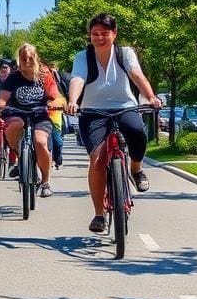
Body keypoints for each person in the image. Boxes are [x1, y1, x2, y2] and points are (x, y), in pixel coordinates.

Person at [65, 13, 162, 233]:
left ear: (114, 34)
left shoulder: (125, 53)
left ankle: (136, 169)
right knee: (97, 160)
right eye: (95, 34)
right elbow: (77, 79)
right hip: (92, 111)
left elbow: (136, 74)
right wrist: (72, 101)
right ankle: (99, 215)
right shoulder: (83, 56)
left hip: (124, 106)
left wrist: (151, 96)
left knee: (137, 131)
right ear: (89, 36)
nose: (99, 38)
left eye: (104, 34)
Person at [0, 43, 60, 197]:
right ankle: (20, 156)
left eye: (30, 58)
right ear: (19, 59)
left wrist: (53, 103)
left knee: (40, 142)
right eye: (23, 58)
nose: (27, 61)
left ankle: (45, 181)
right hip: (17, 113)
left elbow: (55, 97)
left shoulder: (44, 76)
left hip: (39, 115)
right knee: (14, 126)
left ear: (36, 58)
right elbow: (3, 98)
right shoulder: (13, 78)